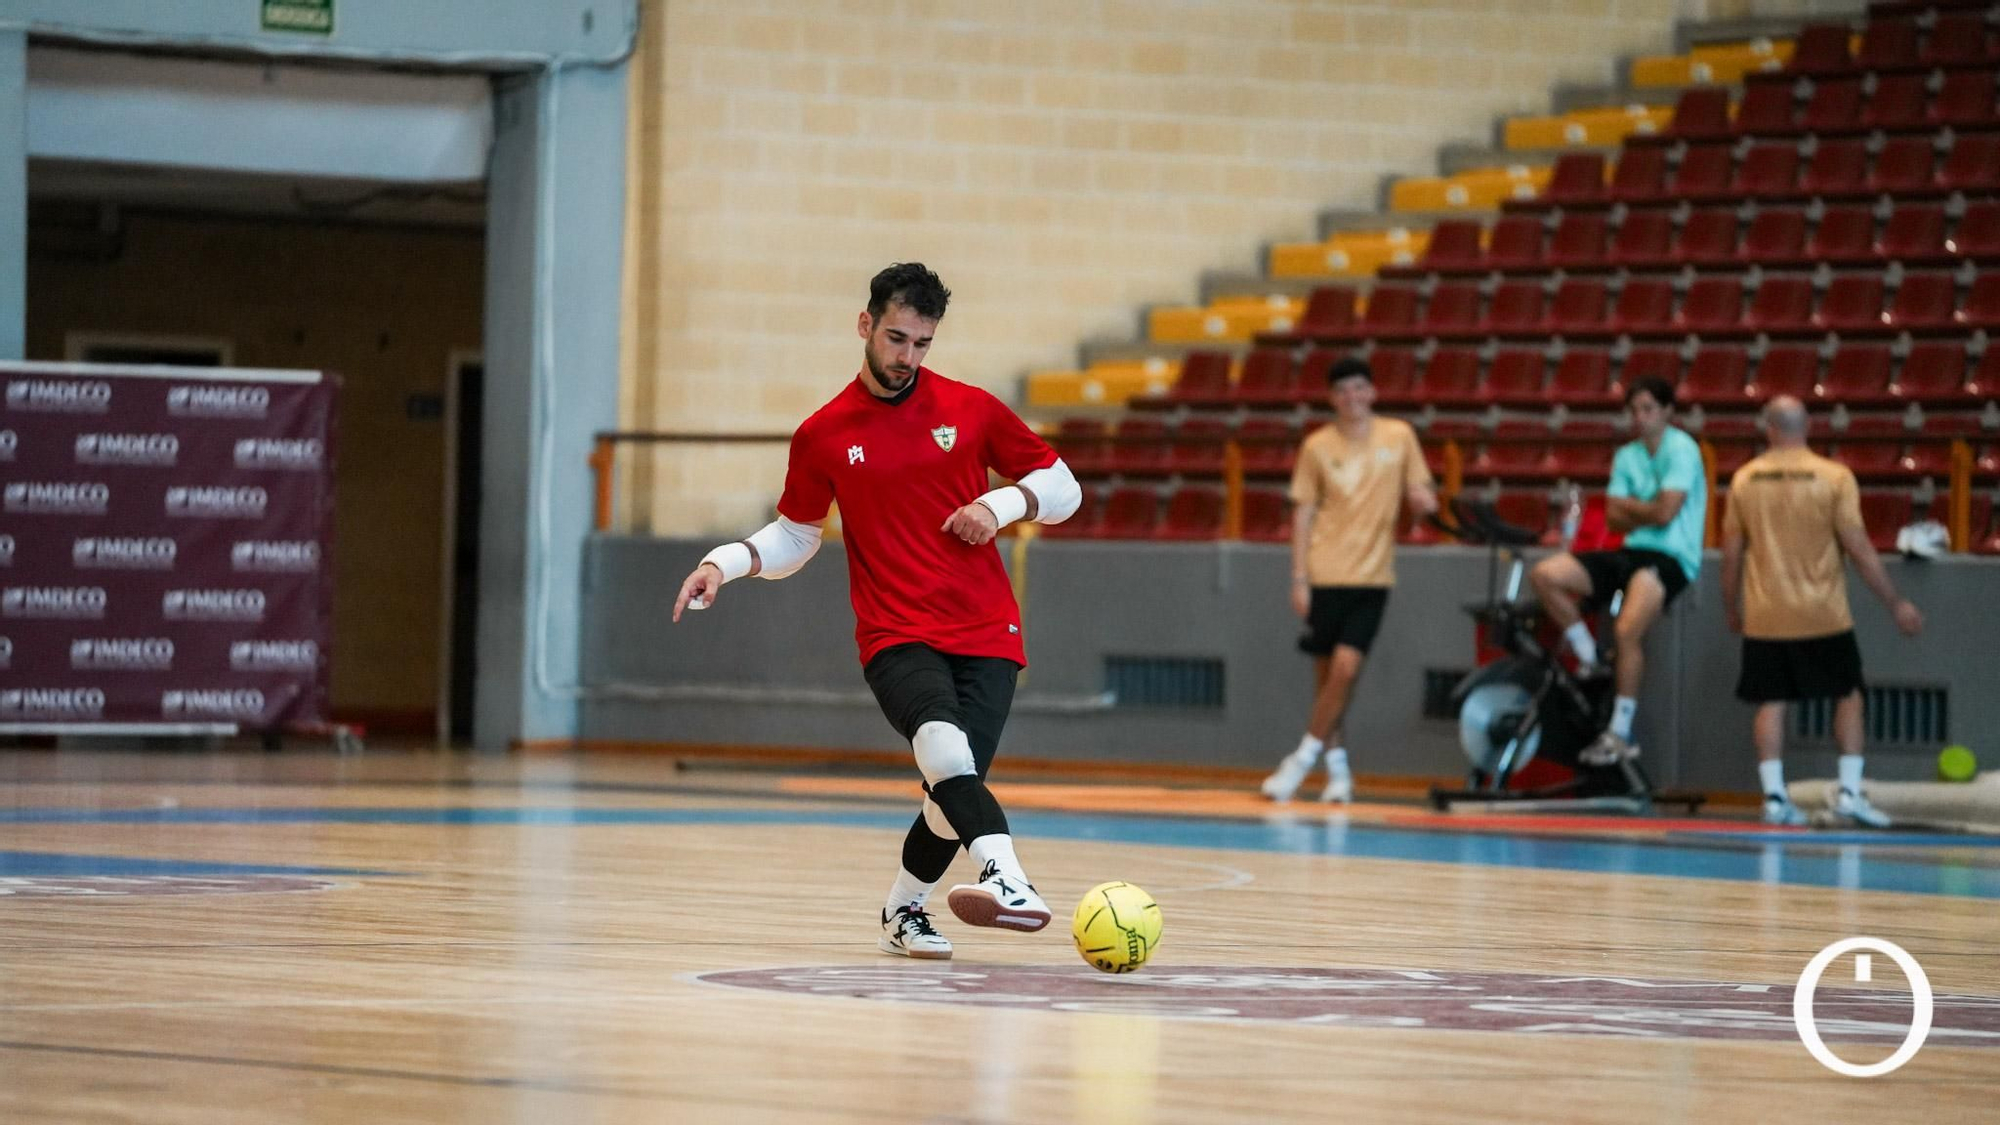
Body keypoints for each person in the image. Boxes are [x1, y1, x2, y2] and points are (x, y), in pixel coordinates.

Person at [672, 263, 1082, 959]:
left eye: (922, 343)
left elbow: (1062, 484)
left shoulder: (971, 408)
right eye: (895, 338)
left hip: (986, 629)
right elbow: (797, 535)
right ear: (865, 325)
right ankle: (1009, 877)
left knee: (951, 790)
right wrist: (725, 561)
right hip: (896, 634)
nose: (907, 357)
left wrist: (999, 503)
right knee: (947, 753)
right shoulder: (825, 433)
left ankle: (902, 909)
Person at [1720, 396, 1924, 827]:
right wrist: (1895, 602)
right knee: (1848, 694)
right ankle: (1849, 793)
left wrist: (1730, 607)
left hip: (1767, 614)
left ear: (1769, 429)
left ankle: (1774, 798)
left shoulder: (1744, 480)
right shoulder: (1834, 478)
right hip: (1823, 613)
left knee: (1771, 701)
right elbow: (1860, 550)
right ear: (1807, 426)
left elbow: (1732, 554)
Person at [1261, 355, 1437, 803]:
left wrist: (1423, 500)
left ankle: (1300, 760)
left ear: (1372, 392)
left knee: (1346, 669)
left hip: (1372, 576)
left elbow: (1422, 489)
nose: (1352, 397)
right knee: (1327, 682)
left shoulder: (1399, 436)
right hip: (1325, 573)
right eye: (1342, 391)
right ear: (1331, 398)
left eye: (1359, 388)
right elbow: (1303, 513)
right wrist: (1299, 577)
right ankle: (1338, 773)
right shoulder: (1317, 446)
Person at [1528, 377, 1707, 767]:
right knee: (1546, 575)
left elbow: (1666, 513)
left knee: (1627, 630)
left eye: (1648, 409)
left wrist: (1636, 510)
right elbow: (1613, 516)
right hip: (1630, 551)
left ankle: (1620, 732)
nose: (1640, 418)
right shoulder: (1627, 455)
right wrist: (1647, 510)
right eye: (1635, 410)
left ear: (1667, 411)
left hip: (1672, 559)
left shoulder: (1682, 450)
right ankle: (1588, 654)